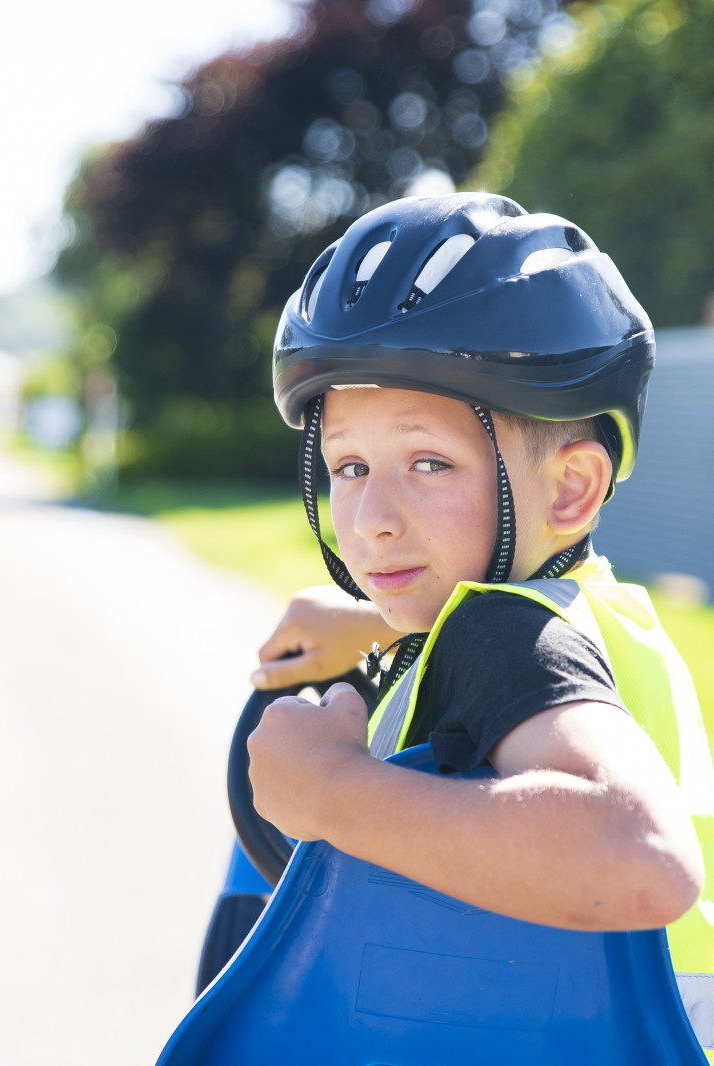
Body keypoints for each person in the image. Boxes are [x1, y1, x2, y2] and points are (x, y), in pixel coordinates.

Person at [245, 192, 714, 1050]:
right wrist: (378, 625)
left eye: (428, 462)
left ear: (571, 489)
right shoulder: (583, 613)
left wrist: (331, 793)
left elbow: (640, 860)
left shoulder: (501, 638)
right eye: (349, 466)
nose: (372, 519)